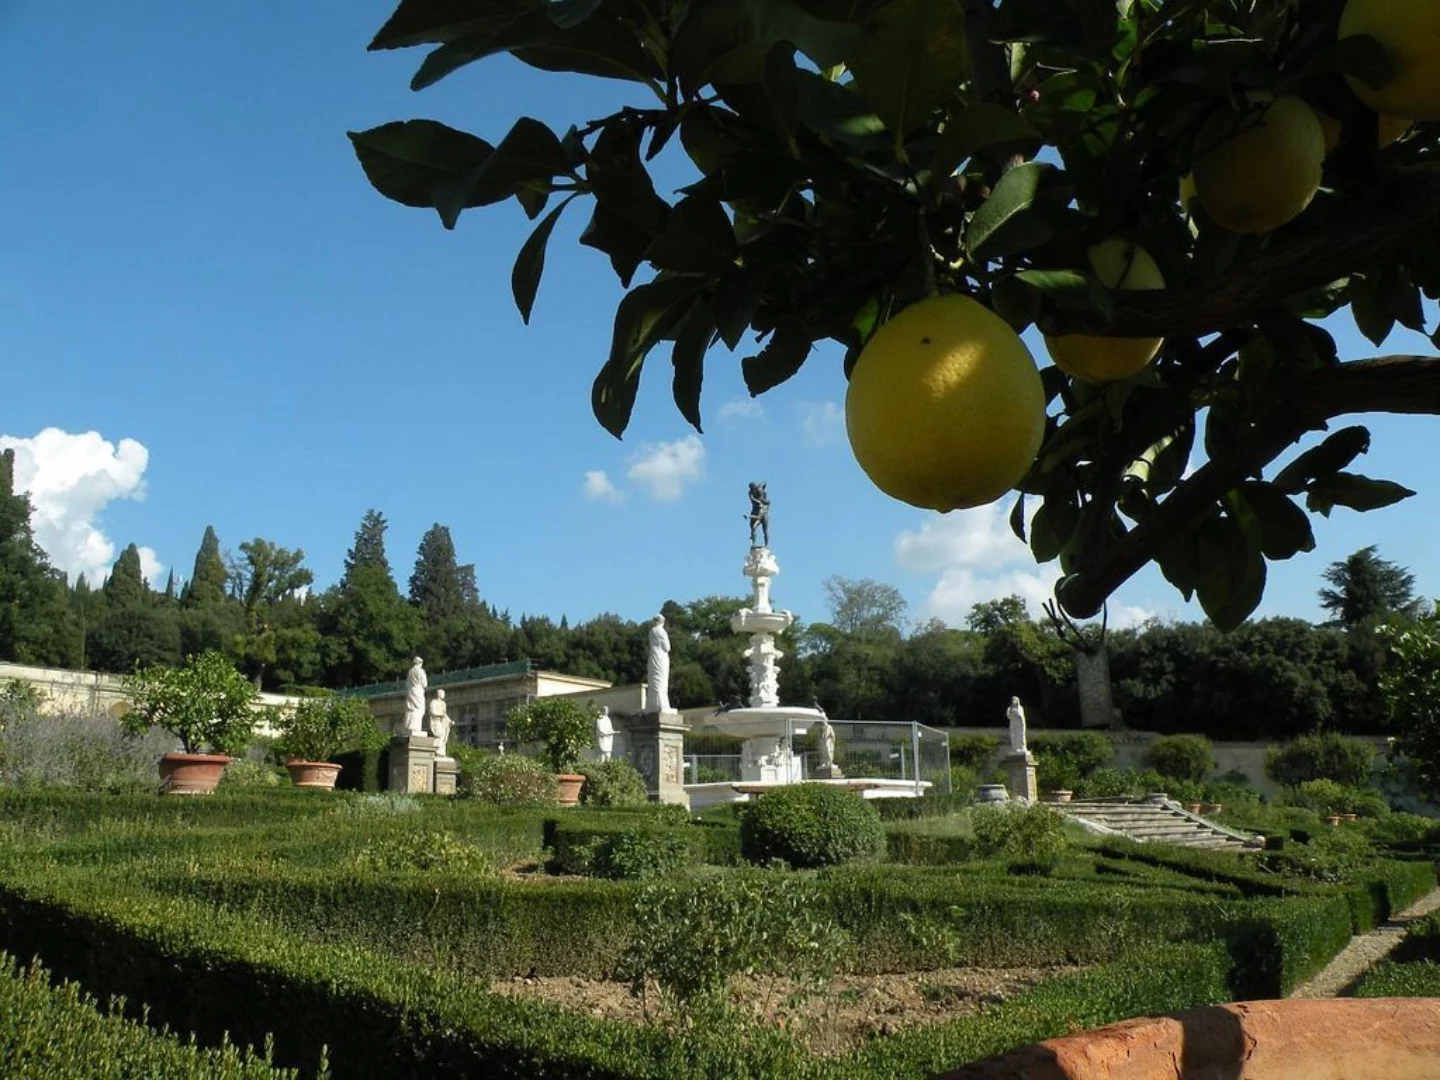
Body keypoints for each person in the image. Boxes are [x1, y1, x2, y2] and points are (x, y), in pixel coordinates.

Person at [647, 614, 672, 713]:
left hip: (653, 656)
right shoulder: (662, 631)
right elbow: (667, 647)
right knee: (661, 679)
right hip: (661, 657)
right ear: (662, 621)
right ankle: (661, 702)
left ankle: (652, 703)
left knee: (654, 679)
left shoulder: (651, 631)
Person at [403, 657, 427, 736]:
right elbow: (425, 684)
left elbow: (407, 684)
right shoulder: (420, 671)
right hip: (418, 690)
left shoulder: (410, 671)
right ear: (420, 663)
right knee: (419, 709)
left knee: (410, 708)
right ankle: (415, 727)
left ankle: (408, 725)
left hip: (410, 691)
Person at [427, 689, 451, 757]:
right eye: (442, 693)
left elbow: (444, 714)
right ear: (438, 694)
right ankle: (436, 750)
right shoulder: (434, 702)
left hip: (442, 722)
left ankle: (441, 752)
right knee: (439, 735)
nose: (443, 695)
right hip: (436, 721)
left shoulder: (443, 704)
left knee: (443, 736)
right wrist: (440, 714)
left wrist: (449, 721)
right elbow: (432, 712)